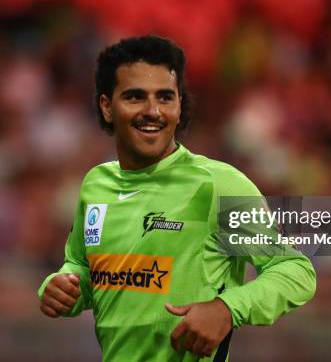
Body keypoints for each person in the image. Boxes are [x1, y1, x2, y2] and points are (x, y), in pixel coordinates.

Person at [38, 35, 316, 361]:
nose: (153, 111)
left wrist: (227, 309)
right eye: (135, 97)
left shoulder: (217, 185)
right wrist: (62, 286)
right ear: (106, 106)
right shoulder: (96, 184)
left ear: (179, 105)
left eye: (165, 98)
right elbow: (85, 268)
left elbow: (295, 270)